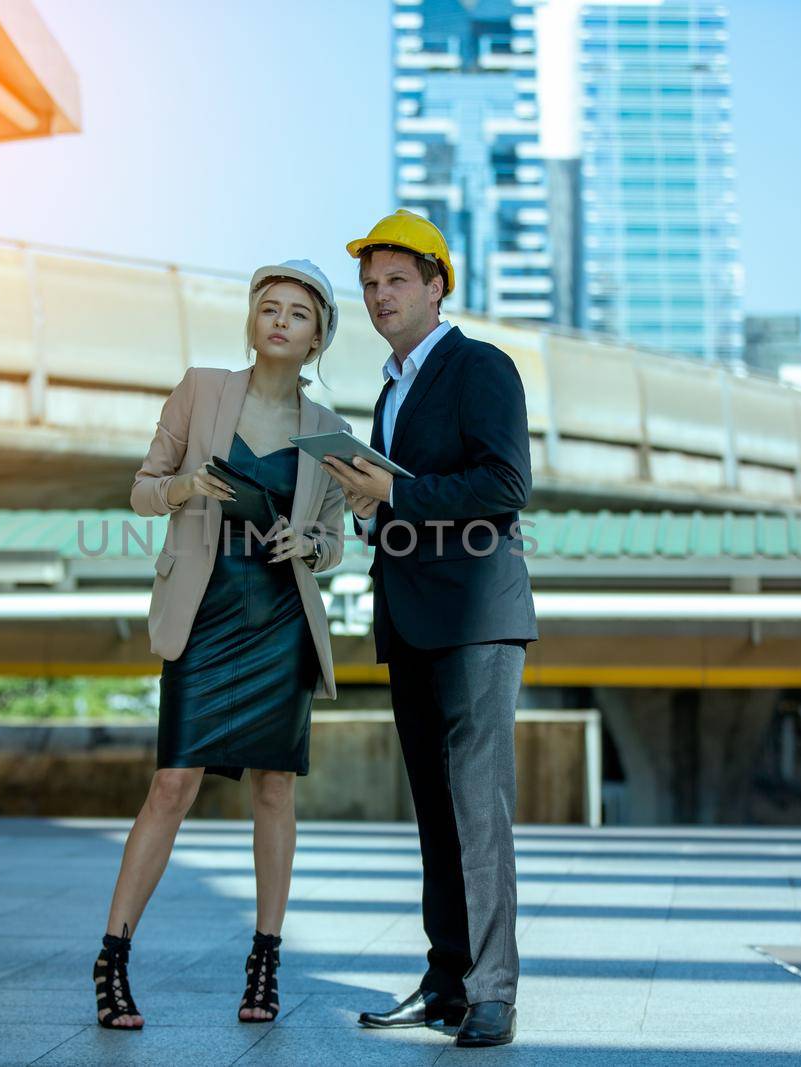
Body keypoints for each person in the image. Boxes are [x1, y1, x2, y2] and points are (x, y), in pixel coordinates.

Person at [92, 259, 350, 1031]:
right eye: (268, 307)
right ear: (252, 320)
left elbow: (337, 540)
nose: (279, 320)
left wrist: (307, 538)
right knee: (173, 783)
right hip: (204, 609)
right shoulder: (202, 388)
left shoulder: (329, 433)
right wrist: (185, 489)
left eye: (297, 314)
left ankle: (265, 959)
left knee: (274, 786)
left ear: (316, 338)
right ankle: (111, 957)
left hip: (280, 615)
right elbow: (143, 487)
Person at [322, 211, 537, 1049]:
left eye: (396, 281)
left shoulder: (479, 365)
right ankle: (447, 980)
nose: (380, 296)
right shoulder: (389, 390)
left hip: (477, 617)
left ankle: (493, 991)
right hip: (409, 617)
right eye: (371, 285)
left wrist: (395, 492)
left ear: (437, 283)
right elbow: (403, 506)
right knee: (437, 814)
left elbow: (505, 480)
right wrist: (369, 501)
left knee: (479, 807)